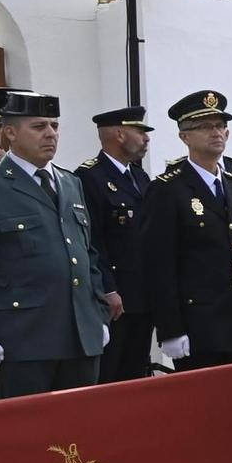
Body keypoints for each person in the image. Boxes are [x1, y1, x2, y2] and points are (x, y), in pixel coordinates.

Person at [138, 91, 232, 370]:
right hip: (199, 325)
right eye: (205, 126)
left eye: (220, 125)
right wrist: (170, 329)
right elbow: (159, 267)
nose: (216, 133)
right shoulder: (168, 189)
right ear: (185, 137)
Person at [0, 91, 111, 397]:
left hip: (80, 337)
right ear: (10, 132)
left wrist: (96, 314)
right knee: (28, 438)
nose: (51, 134)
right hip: (23, 341)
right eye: (39, 126)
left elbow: (87, 252)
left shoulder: (70, 183)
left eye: (54, 126)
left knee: (80, 435)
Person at [77, 107, 154, 382]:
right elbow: (91, 239)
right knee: (111, 375)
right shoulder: (89, 177)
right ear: (120, 134)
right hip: (115, 301)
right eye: (140, 132)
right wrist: (107, 288)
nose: (146, 139)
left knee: (136, 375)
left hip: (143, 295)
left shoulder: (140, 177)